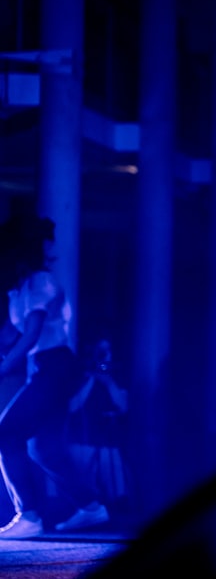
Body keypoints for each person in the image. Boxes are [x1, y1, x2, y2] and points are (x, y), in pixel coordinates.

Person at [0, 214, 110, 538]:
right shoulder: (21, 289)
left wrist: (3, 368)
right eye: (47, 246)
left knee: (5, 433)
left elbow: (32, 335)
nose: (53, 253)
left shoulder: (41, 282)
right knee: (44, 449)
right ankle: (91, 507)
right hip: (45, 369)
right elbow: (16, 337)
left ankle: (29, 516)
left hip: (57, 367)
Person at [65, 338, 131, 516]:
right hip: (81, 440)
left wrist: (109, 383)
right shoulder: (80, 378)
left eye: (109, 353)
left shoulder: (117, 378)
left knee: (117, 486)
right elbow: (72, 407)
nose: (106, 358)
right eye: (102, 353)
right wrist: (91, 380)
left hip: (107, 441)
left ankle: (115, 514)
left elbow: (123, 407)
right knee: (84, 482)